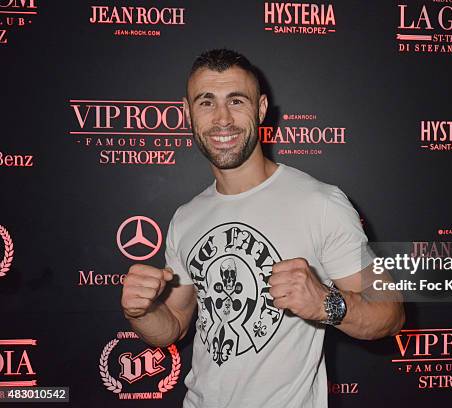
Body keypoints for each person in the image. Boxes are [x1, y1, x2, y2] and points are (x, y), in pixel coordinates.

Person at [120, 49, 404, 408]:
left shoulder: (320, 202)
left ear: (261, 108)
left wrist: (324, 303)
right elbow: (174, 323)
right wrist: (141, 314)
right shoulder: (186, 217)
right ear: (187, 112)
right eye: (206, 102)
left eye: (236, 101)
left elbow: (391, 313)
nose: (222, 119)